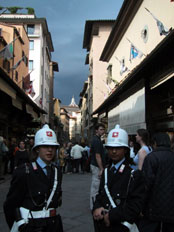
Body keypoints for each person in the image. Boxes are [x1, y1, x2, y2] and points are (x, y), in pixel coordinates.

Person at [3, 124, 63, 232]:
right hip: (31, 226)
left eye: (53, 147)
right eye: (45, 146)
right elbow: (10, 205)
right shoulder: (24, 171)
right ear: (37, 149)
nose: (50, 150)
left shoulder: (57, 171)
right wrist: (20, 226)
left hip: (53, 226)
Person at [93, 125, 145, 232]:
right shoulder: (106, 171)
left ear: (125, 150)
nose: (114, 151)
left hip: (121, 227)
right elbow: (100, 194)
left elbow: (135, 205)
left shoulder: (133, 174)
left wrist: (112, 215)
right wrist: (96, 207)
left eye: (118, 148)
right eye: (111, 148)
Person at [139, 132, 174, 232]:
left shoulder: (151, 158)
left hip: (153, 208)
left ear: (155, 143)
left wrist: (141, 206)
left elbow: (146, 184)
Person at [90, 123, 105, 211]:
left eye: (103, 129)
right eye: (101, 129)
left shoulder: (98, 140)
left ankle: (94, 204)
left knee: (96, 185)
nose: (103, 131)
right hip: (96, 165)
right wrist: (101, 168)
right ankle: (93, 206)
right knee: (95, 186)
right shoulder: (96, 140)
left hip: (96, 165)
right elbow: (97, 155)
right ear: (96, 130)